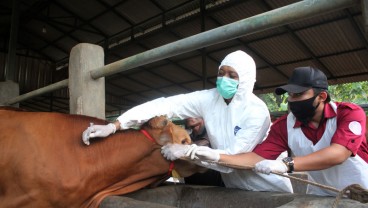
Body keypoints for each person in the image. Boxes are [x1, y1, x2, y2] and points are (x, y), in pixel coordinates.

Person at [82, 50, 293, 193]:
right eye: (221, 73)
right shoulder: (210, 98)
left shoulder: (257, 112)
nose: (224, 79)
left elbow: (234, 160)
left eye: (232, 75)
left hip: (267, 188)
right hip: (234, 190)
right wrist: (116, 125)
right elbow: (166, 104)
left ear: (245, 79)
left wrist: (189, 152)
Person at [167, 66, 368, 196]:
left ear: (322, 96)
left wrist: (286, 164)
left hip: (361, 191)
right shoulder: (285, 126)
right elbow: (255, 157)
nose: (292, 101)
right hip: (320, 194)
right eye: (289, 95)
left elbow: (338, 153)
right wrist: (213, 156)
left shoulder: (348, 114)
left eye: (298, 95)